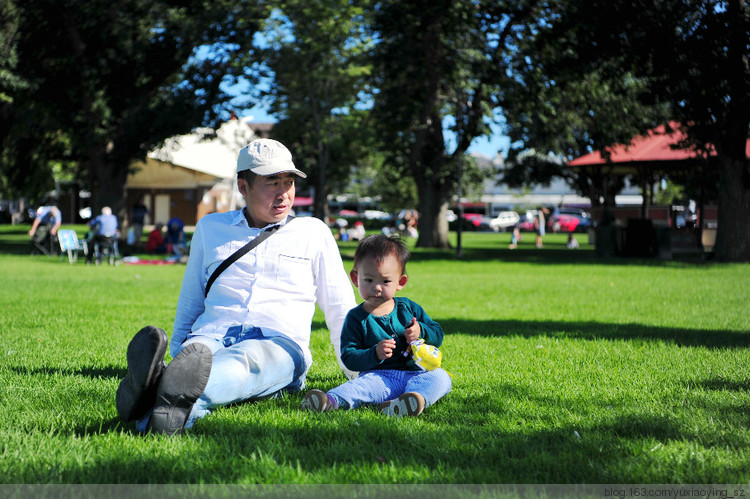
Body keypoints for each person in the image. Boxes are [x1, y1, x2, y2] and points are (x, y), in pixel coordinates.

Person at [115, 138, 357, 435]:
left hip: (277, 343)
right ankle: (173, 400)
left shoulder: (313, 232)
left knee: (245, 365)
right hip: (211, 336)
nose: (284, 193)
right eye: (272, 183)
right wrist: (180, 351)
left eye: (288, 182)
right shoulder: (210, 228)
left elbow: (339, 306)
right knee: (202, 358)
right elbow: (191, 296)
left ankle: (158, 392)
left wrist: (356, 371)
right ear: (243, 187)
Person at [300, 234, 452, 417]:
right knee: (360, 388)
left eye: (385, 281)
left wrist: (422, 330)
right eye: (369, 280)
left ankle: (415, 398)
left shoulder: (409, 308)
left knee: (440, 377)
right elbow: (349, 357)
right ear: (356, 279)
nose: (377, 287)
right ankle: (329, 401)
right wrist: (374, 353)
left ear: (400, 282)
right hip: (380, 377)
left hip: (416, 374)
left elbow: (438, 334)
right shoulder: (356, 318)